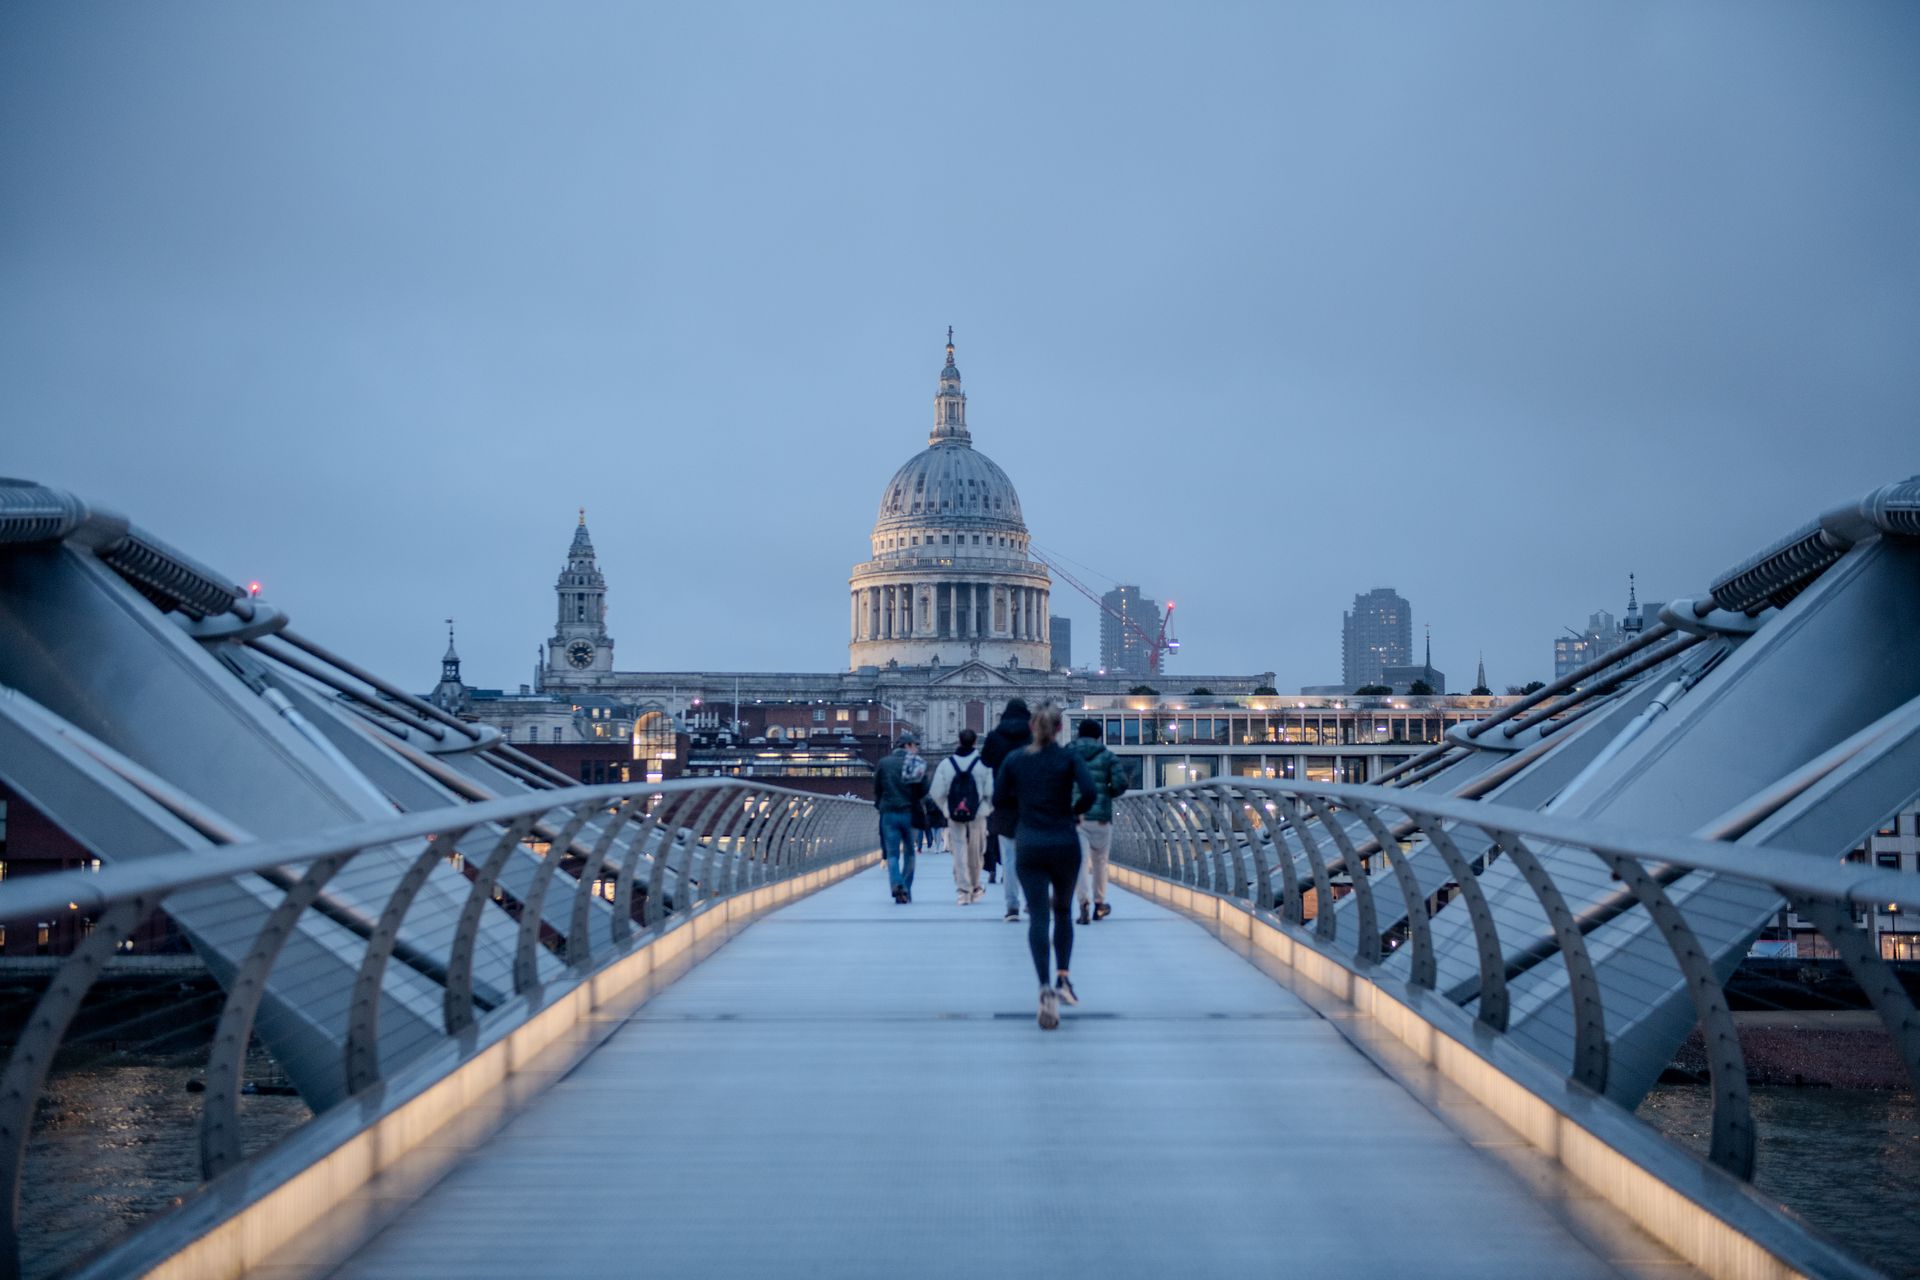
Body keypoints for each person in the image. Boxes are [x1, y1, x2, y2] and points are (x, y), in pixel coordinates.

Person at [993, 701, 1096, 1030]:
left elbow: (998, 799)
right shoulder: (1068, 757)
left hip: (1030, 842)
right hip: (1064, 839)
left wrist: (1022, 811)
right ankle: (1063, 976)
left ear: (1031, 728)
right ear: (1060, 729)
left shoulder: (1015, 759)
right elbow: (1091, 791)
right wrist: (1074, 810)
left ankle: (1044, 988)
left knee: (1038, 916)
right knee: (1063, 912)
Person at [1069, 719, 1130, 924]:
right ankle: (1099, 903)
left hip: (1076, 816)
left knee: (1078, 863)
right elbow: (1121, 783)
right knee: (1100, 863)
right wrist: (1107, 793)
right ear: (1098, 736)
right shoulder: (1107, 755)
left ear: (1078, 734)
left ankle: (1082, 902)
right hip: (1101, 817)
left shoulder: (1068, 752)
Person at [980, 697, 1031, 922]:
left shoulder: (994, 736)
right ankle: (1032, 899)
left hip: (1004, 802)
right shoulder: (1032, 734)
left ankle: (1012, 905)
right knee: (1031, 854)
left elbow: (985, 761)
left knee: (1009, 856)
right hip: (1031, 802)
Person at [930, 728, 993, 905]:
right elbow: (991, 792)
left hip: (955, 815)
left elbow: (936, 791)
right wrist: (985, 809)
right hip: (978, 815)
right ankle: (974, 886)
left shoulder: (946, 764)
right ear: (974, 743)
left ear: (958, 741)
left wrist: (946, 808)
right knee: (976, 851)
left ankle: (963, 890)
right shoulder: (983, 765)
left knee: (958, 851)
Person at [872, 731, 927, 903]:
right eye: (915, 745)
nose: (917, 748)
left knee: (893, 853)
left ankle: (897, 883)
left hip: (889, 813)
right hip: (909, 813)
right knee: (910, 853)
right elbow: (924, 789)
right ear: (907, 746)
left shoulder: (884, 763)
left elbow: (877, 788)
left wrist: (881, 804)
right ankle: (906, 890)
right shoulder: (917, 763)